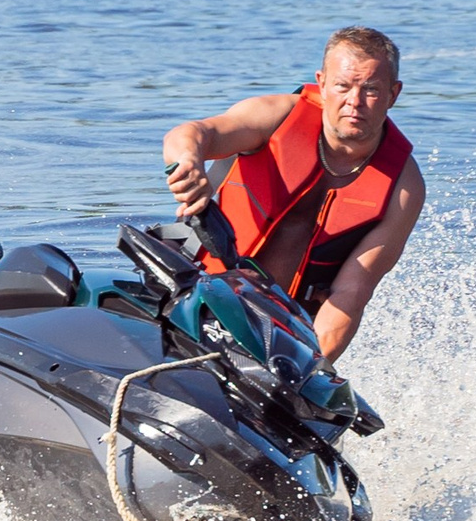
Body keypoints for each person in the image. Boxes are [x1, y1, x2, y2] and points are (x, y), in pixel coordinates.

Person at [161, 27, 424, 361]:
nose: (354, 102)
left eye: (370, 89)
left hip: (276, 333)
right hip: (193, 290)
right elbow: (195, 133)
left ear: (393, 93)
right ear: (322, 83)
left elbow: (351, 294)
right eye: (343, 86)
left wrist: (311, 370)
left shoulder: (403, 188)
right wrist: (187, 161)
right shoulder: (274, 117)